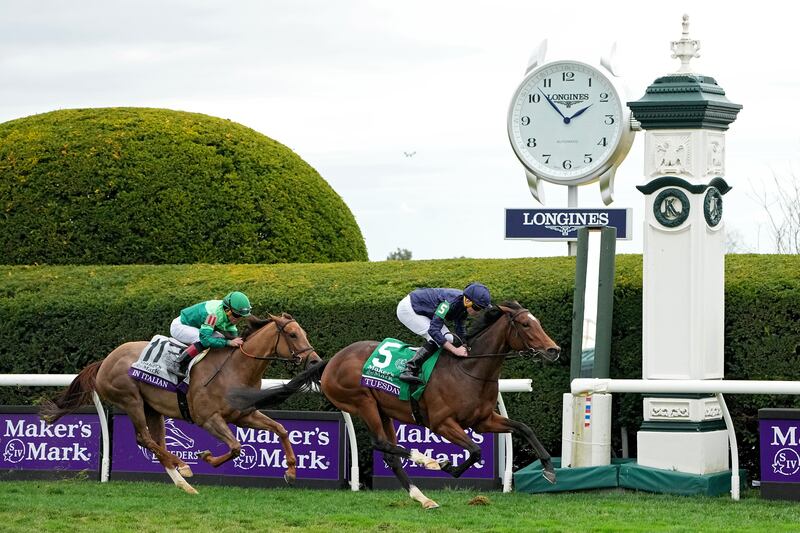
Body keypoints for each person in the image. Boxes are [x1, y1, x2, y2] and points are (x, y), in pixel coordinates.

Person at [396, 282, 492, 385]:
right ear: (467, 301)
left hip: (424, 309)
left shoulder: (463, 304)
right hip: (409, 309)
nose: (479, 312)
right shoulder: (448, 303)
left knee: (449, 338)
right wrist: (455, 350)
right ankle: (409, 369)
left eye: (482, 309)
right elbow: (433, 330)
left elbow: (460, 327)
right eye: (477, 308)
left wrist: (466, 344)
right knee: (434, 337)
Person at [171, 291, 252, 376]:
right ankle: (178, 364)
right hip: (180, 326)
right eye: (237, 316)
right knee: (201, 339)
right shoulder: (213, 315)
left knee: (220, 337)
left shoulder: (226, 313)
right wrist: (228, 342)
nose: (239, 319)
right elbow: (205, 340)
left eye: (242, 316)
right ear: (228, 310)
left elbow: (233, 335)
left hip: (196, 327)